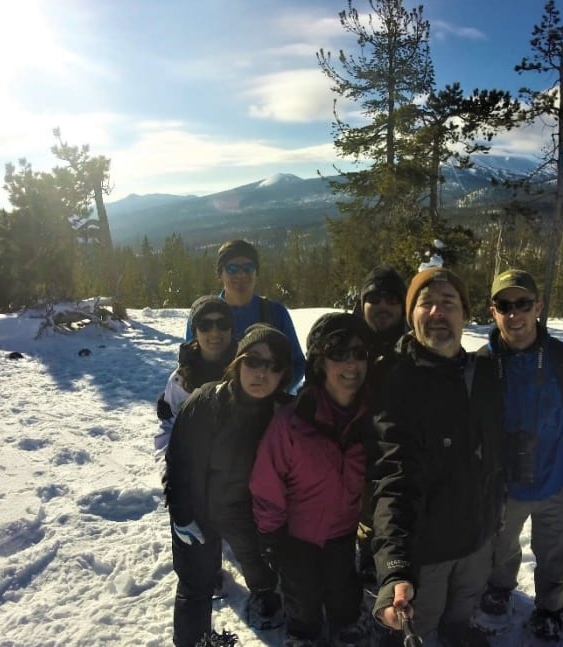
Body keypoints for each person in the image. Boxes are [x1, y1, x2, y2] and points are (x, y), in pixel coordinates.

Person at [371, 267, 504, 646]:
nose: (437, 313)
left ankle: (458, 631)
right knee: (416, 627)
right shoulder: (396, 381)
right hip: (425, 552)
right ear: (411, 315)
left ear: (464, 314)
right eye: (425, 303)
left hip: (477, 539)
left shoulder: (484, 374)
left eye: (448, 303)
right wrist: (395, 568)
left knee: (462, 608)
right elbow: (391, 478)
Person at [474, 269, 563, 644]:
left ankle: (551, 609)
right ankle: (499, 590)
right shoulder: (481, 363)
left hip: (556, 483)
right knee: (499, 547)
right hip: (503, 485)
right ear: (492, 311)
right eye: (505, 305)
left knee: (555, 555)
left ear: (538, 307)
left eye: (523, 304)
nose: (515, 314)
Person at [164, 324, 294, 647]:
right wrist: (181, 515)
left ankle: (264, 593)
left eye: (273, 365)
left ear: (284, 375)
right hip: (199, 510)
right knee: (196, 583)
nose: (261, 373)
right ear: (238, 363)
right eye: (253, 361)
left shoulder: (286, 415)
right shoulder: (206, 402)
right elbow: (178, 461)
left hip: (247, 513)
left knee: (256, 560)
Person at [250, 312, 375, 647]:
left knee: (343, 592)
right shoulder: (293, 420)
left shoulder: (372, 419)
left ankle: (347, 622)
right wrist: (272, 535)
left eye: (358, 352)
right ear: (319, 361)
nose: (350, 364)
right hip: (296, 538)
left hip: (343, 534)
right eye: (338, 353)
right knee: (301, 598)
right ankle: (303, 632)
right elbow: (267, 483)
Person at [185, 239, 305, 392]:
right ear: (220, 274)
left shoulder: (275, 312)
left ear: (256, 273)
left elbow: (297, 364)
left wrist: (275, 393)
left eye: (248, 268)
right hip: (214, 408)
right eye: (232, 268)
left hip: (266, 409)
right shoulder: (203, 314)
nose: (241, 274)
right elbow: (189, 363)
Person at [351, 265, 408, 586]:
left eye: (391, 298)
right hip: (355, 448)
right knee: (364, 511)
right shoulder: (345, 343)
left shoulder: (417, 347)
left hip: (400, 449)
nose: (383, 305)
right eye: (374, 298)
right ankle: (366, 548)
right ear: (362, 303)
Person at [154, 296, 236, 457]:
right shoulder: (181, 380)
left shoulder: (248, 368)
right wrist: (169, 471)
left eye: (222, 324)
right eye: (205, 326)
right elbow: (169, 430)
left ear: (231, 328)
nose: (214, 332)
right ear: (195, 332)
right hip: (193, 473)